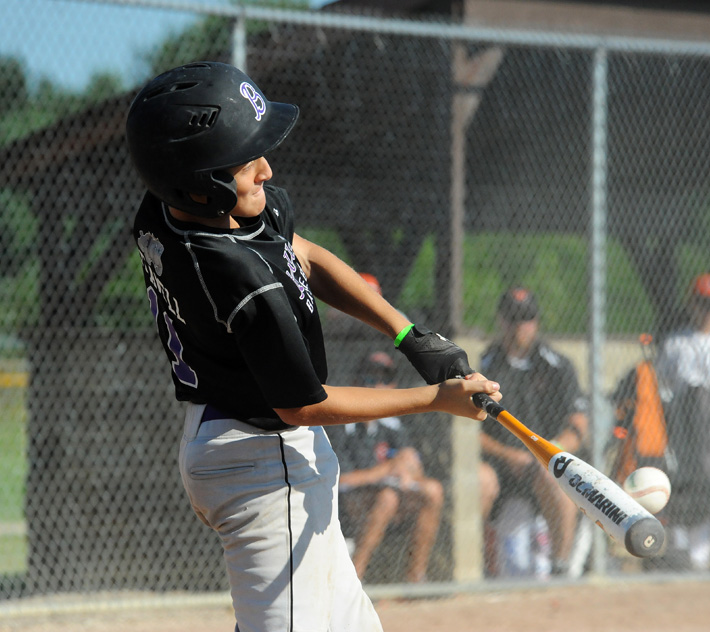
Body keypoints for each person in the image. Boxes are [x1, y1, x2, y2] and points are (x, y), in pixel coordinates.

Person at [126, 61, 500, 632]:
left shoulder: (173, 210)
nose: (268, 170)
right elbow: (302, 403)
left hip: (243, 439)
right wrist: (433, 400)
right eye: (249, 163)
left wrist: (409, 336)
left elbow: (305, 254)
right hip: (261, 459)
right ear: (202, 183)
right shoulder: (240, 279)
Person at [478, 287, 588, 577]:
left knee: (555, 476)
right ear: (500, 321)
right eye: (512, 318)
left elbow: (578, 423)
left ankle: (561, 566)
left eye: (526, 319)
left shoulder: (557, 365)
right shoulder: (485, 366)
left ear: (536, 322)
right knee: (479, 479)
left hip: (545, 460)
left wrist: (550, 451)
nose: (519, 327)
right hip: (501, 464)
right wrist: (508, 455)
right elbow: (469, 433)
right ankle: (477, 568)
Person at [328, 351, 444, 583]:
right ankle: (354, 578)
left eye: (386, 379)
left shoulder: (393, 425)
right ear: (355, 383)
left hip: (389, 497)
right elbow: (340, 481)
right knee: (387, 498)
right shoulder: (340, 423)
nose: (379, 385)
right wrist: (388, 469)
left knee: (433, 490)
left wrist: (408, 470)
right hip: (346, 504)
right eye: (371, 378)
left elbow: (411, 465)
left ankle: (416, 579)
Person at [654, 272, 710, 571]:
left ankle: (698, 559)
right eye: (702, 302)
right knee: (679, 494)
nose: (708, 310)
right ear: (691, 303)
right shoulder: (676, 343)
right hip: (682, 431)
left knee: (709, 490)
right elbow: (661, 388)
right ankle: (681, 557)